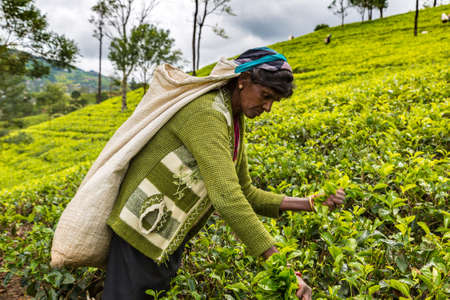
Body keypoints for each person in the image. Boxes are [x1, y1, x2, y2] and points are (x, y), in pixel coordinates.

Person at [102, 47, 345, 300]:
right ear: (243, 80)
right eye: (265, 95)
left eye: (275, 100)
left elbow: (246, 192)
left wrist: (308, 203)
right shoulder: (208, 113)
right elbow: (228, 197)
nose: (268, 107)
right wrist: (279, 265)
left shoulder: (233, 119)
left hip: (166, 238)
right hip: (141, 234)